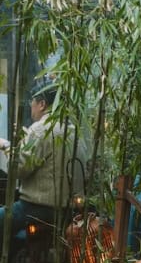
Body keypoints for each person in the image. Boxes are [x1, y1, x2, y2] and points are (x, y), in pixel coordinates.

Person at [0, 78, 83, 237]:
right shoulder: (73, 131)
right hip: (69, 212)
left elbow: (18, 169)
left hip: (36, 209)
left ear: (42, 104)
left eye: (32, 101)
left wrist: (5, 146)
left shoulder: (41, 129)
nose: (31, 106)